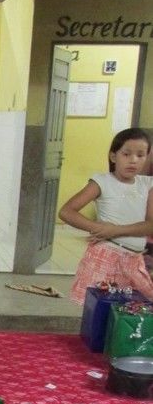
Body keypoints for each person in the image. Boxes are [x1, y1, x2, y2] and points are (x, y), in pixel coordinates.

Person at [58, 127, 153, 303]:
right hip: (106, 254)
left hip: (134, 259)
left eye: (140, 155)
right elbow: (66, 211)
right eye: (126, 154)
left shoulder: (147, 185)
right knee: (100, 310)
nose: (133, 160)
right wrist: (99, 228)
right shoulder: (102, 182)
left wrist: (114, 230)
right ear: (113, 156)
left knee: (137, 307)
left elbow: (150, 225)